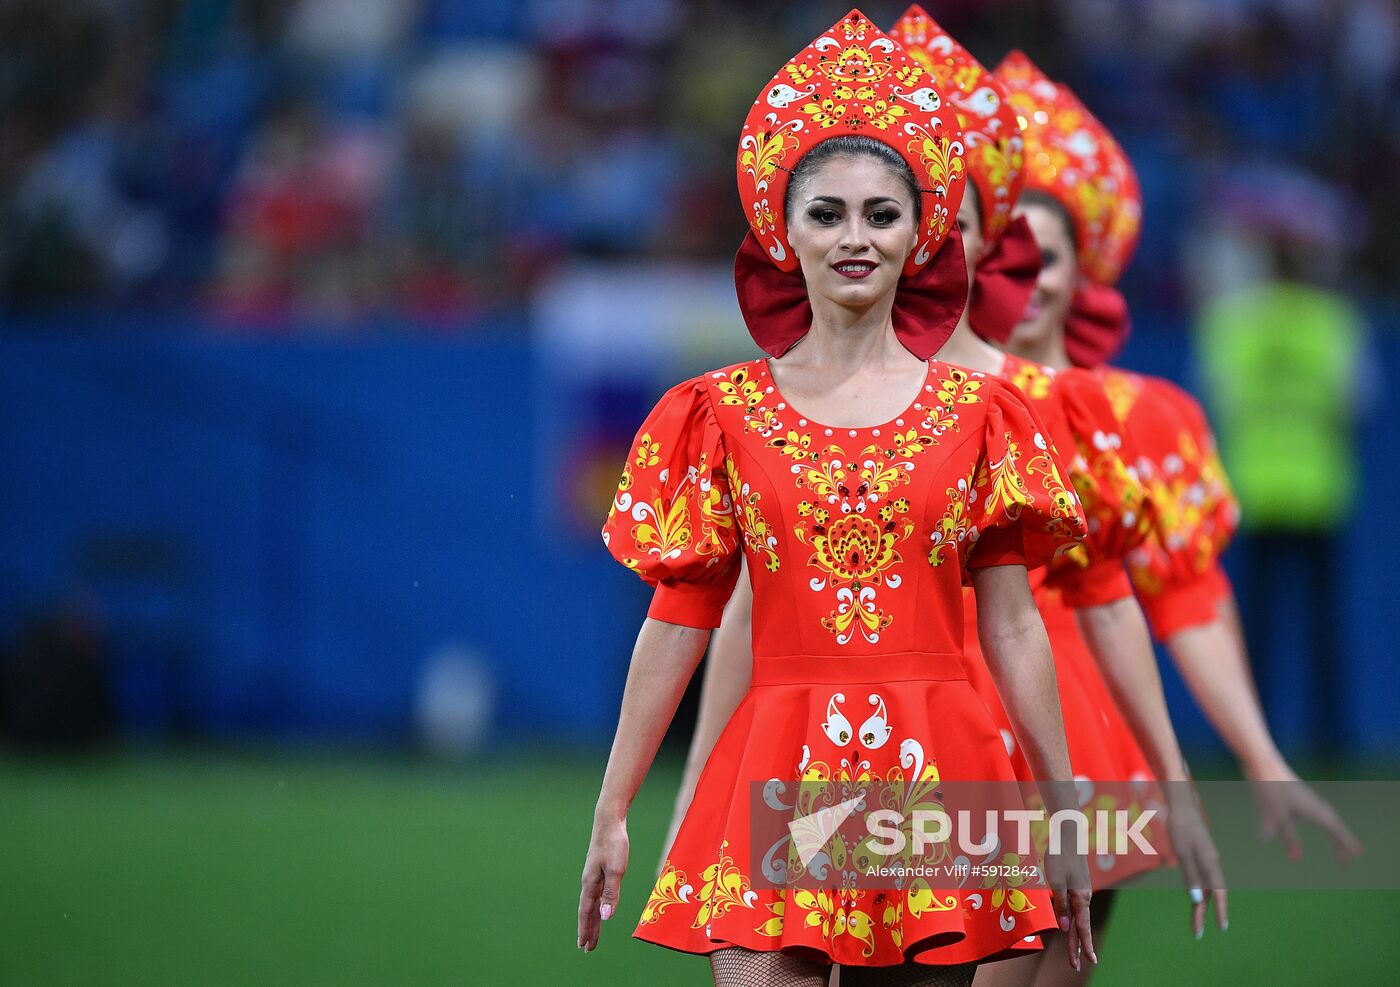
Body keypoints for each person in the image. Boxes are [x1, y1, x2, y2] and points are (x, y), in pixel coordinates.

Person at [579, 12, 1097, 985]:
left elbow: (1014, 629)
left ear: (920, 234)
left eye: (879, 214)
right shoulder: (716, 414)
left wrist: (1060, 812)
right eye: (826, 213)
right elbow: (681, 615)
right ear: (783, 232)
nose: (853, 237)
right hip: (772, 759)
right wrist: (614, 808)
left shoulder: (983, 415)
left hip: (938, 767)